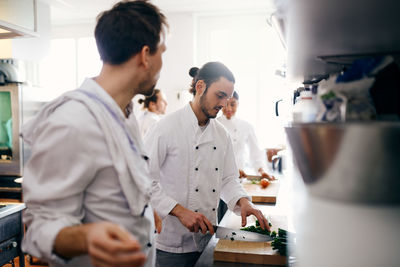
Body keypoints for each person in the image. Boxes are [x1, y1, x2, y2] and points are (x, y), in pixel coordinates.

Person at [21, 1, 168, 267]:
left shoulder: (125, 113)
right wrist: (86, 237)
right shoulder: (74, 121)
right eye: (162, 53)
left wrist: (146, 211)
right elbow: (39, 227)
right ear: (146, 55)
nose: (162, 65)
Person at [144, 62, 270, 267]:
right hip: (170, 244)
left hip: (208, 239)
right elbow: (143, 180)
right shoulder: (165, 128)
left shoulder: (222, 135)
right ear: (200, 87)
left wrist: (243, 202)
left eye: (228, 98)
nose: (224, 104)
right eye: (219, 96)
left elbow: (228, 179)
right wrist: (179, 210)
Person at [218, 91, 275, 180]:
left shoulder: (246, 126)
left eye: (232, 104)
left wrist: (261, 171)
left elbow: (255, 154)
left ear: (238, 104)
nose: (228, 108)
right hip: (217, 179)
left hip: (239, 179)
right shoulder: (214, 125)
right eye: (225, 104)